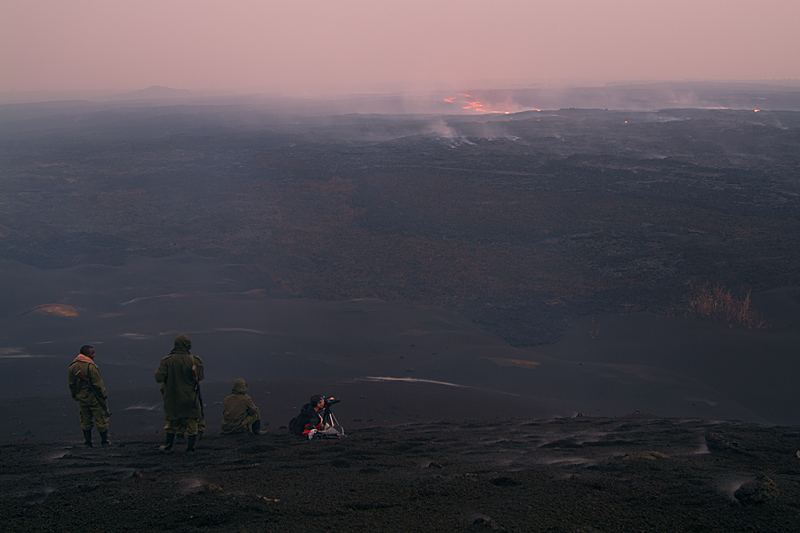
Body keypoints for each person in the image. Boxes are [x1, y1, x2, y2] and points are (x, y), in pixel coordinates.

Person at [154, 334, 204, 453]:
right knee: (192, 422)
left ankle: (168, 446)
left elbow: (158, 377)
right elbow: (200, 377)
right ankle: (190, 448)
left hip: (173, 398)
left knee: (172, 422)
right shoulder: (195, 361)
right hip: (190, 398)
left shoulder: (167, 361)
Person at [67, 345, 110, 447]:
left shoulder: (73, 366)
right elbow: (98, 384)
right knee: (101, 419)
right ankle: (104, 442)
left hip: (82, 398)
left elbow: (71, 384)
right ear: (86, 354)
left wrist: (75, 396)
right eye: (92, 353)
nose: (94, 355)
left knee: (85, 420)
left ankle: (88, 443)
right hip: (94, 398)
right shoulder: (91, 367)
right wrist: (103, 396)